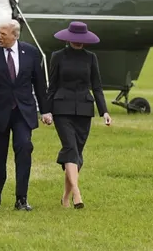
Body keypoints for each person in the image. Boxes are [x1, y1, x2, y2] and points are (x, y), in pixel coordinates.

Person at [0, 19, 50, 211]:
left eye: (3, 34)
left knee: (24, 148)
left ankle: (21, 198)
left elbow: (39, 84)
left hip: (22, 111)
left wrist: (45, 110)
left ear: (15, 35)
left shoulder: (31, 53)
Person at [45, 21, 112, 209]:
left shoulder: (91, 58)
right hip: (62, 109)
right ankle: (77, 193)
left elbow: (97, 86)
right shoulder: (57, 56)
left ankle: (65, 198)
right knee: (70, 148)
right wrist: (47, 110)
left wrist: (104, 111)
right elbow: (52, 86)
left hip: (84, 110)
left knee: (76, 153)